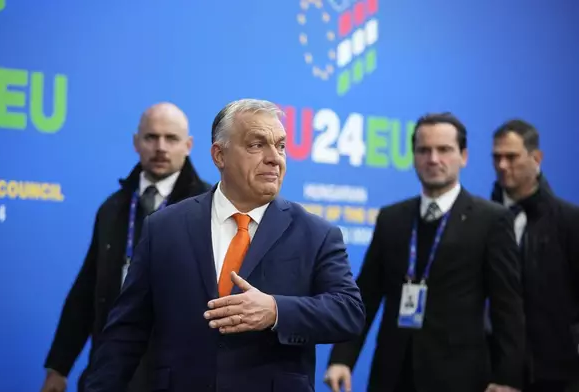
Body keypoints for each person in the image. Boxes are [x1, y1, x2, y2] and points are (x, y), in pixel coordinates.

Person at [82, 98, 365, 392]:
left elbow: (348, 311)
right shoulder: (164, 228)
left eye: (280, 146)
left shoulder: (316, 233)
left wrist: (276, 310)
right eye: (257, 145)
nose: (274, 158)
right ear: (219, 155)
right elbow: (126, 332)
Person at [324, 113, 526, 392]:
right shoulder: (392, 218)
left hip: (460, 378)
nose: (433, 159)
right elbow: (366, 295)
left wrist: (507, 378)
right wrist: (342, 358)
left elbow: (508, 307)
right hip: (392, 375)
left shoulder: (491, 220)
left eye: (444, 150)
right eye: (424, 150)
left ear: (463, 156)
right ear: (414, 156)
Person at [41, 102, 211, 392]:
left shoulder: (210, 207)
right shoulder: (113, 207)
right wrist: (59, 366)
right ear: (136, 143)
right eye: (151, 137)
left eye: (171, 138)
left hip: (179, 372)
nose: (160, 147)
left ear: (189, 145)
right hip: (112, 370)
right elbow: (86, 290)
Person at [490, 119, 579, 392]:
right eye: (497, 157)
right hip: (491, 373)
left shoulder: (569, 221)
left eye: (512, 157)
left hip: (554, 374)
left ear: (536, 158)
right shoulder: (480, 219)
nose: (502, 165)